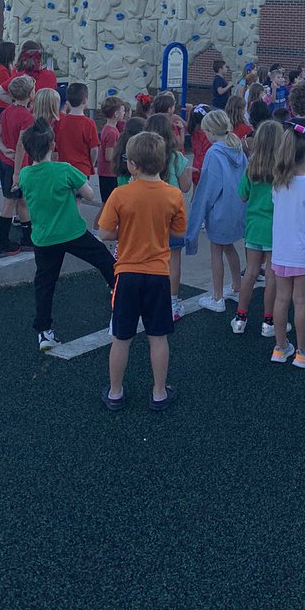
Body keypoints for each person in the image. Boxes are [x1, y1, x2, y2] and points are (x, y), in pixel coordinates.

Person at [97, 130, 186, 410]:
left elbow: (105, 233)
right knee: (158, 337)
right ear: (163, 163)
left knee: (121, 337)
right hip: (158, 274)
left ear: (132, 164)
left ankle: (115, 392)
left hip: (127, 274)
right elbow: (178, 231)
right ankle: (159, 392)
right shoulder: (173, 195)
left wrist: (127, 230)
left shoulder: (120, 194)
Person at [17, 118, 115, 351]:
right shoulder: (65, 169)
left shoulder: (25, 175)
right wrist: (73, 189)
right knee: (106, 261)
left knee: (45, 283)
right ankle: (122, 300)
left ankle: (44, 331)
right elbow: (90, 195)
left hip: (44, 238)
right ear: (52, 145)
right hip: (72, 232)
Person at [269, 127, 305, 367]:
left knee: (281, 300)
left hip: (281, 251)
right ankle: (303, 352)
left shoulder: (277, 184)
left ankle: (280, 347)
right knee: (301, 302)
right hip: (303, 253)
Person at [185, 108, 248, 311]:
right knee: (230, 248)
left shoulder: (213, 153)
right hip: (237, 208)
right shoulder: (238, 148)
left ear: (211, 131)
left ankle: (217, 297)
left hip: (219, 211)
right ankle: (237, 287)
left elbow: (208, 189)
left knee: (216, 251)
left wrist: (198, 215)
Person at [232, 120, 282, 336]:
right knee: (271, 276)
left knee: (251, 272)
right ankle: (268, 322)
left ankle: (240, 318)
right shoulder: (282, 170)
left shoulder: (251, 167)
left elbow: (242, 196)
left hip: (254, 225)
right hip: (275, 228)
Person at [145, 113, 192, 319]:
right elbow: (186, 187)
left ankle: (149, 298)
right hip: (173, 215)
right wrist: (188, 171)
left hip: (148, 215)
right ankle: (172, 302)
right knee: (174, 260)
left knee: (149, 257)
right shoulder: (177, 158)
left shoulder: (142, 158)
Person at [0, 73, 35, 256]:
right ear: (30, 94)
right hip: (17, 166)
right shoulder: (26, 116)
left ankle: (27, 238)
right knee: (10, 202)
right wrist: (17, 172)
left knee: (21, 201)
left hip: (5, 160)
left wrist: (3, 150)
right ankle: (2, 242)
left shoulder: (6, 111)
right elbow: (21, 146)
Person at [53, 82, 99, 178]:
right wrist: (92, 163)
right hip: (82, 169)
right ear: (85, 100)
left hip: (63, 168)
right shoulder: (89, 123)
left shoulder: (60, 121)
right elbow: (94, 149)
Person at [97, 96, 126, 204]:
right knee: (108, 204)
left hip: (106, 172)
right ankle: (101, 221)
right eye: (123, 110)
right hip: (109, 173)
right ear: (116, 114)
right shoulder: (112, 132)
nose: (124, 113)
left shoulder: (108, 128)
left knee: (107, 204)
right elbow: (109, 156)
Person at [187, 104, 211, 186]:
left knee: (195, 192)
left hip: (196, 163)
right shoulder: (208, 135)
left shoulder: (194, 133)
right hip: (206, 165)